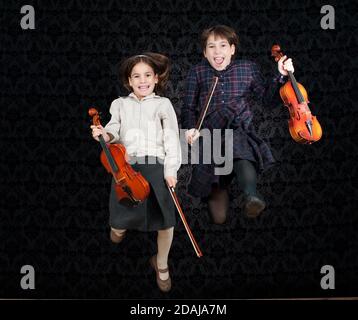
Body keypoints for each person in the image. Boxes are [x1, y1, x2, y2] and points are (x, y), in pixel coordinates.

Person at [182, 25, 294, 224]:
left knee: (237, 141)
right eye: (211, 47)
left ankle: (251, 195)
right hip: (211, 137)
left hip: (239, 130)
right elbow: (189, 108)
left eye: (223, 45)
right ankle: (222, 183)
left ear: (232, 49)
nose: (217, 52)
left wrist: (280, 76)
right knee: (219, 217)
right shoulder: (197, 72)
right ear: (204, 52)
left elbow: (267, 99)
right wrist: (190, 129)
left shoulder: (247, 68)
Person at [91, 52, 181, 292]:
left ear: (156, 78)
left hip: (156, 166)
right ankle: (117, 228)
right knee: (119, 223)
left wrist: (170, 170)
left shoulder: (163, 104)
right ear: (129, 81)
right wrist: (104, 134)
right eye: (137, 76)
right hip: (126, 168)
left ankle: (161, 263)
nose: (143, 80)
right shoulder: (120, 104)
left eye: (148, 75)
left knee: (166, 222)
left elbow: (172, 137)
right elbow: (113, 130)